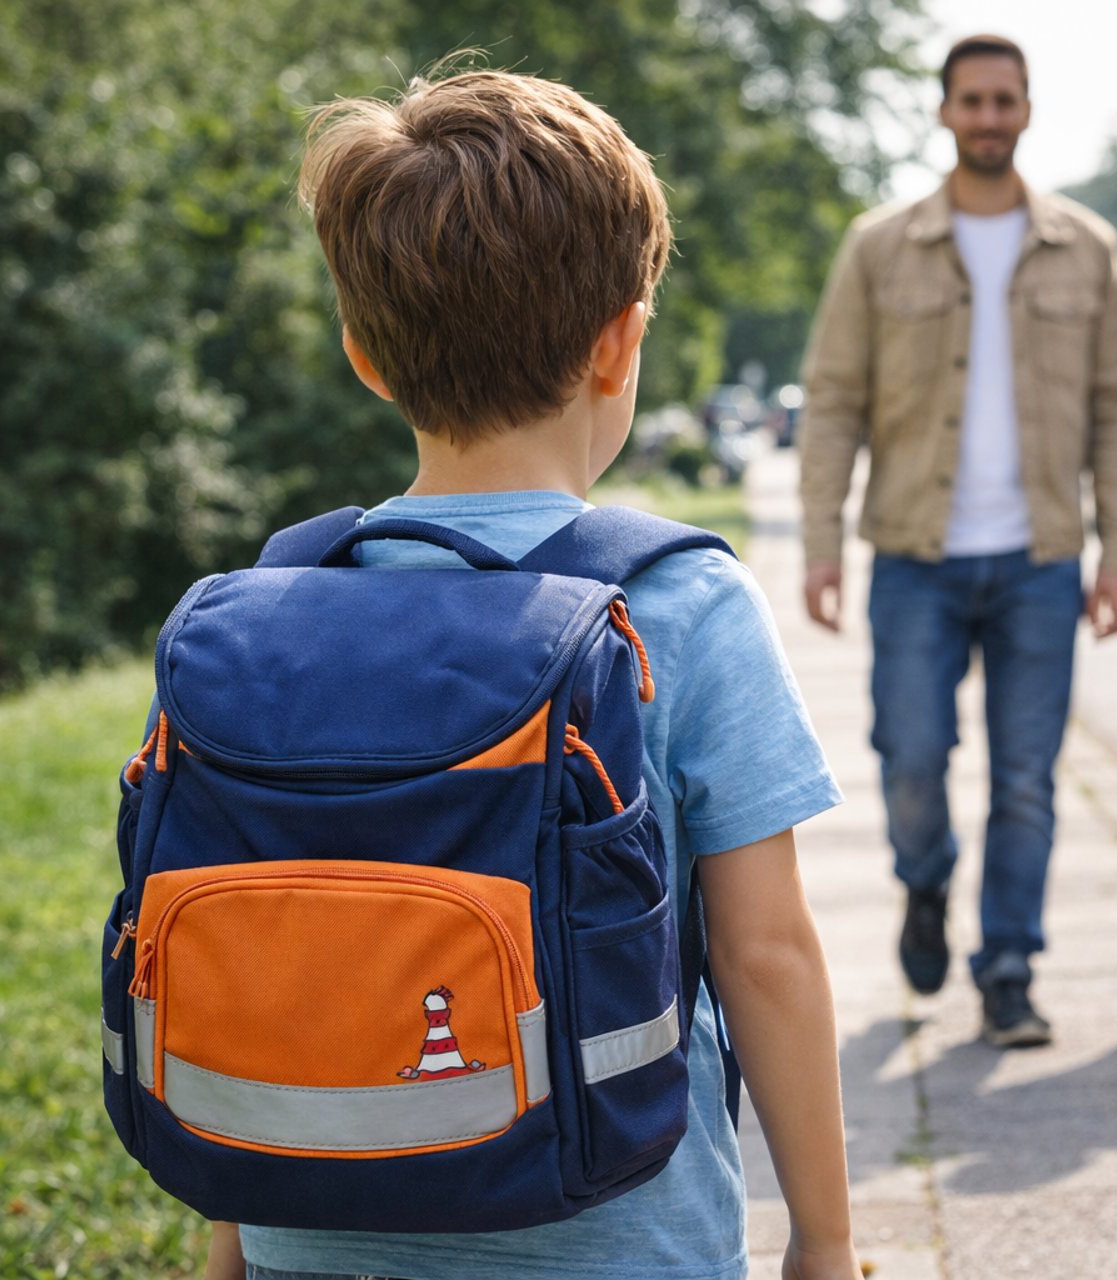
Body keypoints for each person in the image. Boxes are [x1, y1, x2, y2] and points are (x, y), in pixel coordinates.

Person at [203, 67, 860, 1280]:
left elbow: (262, 949)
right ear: (621, 342)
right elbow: (767, 954)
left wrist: (229, 1247)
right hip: (624, 1242)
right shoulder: (677, 604)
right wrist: (823, 1240)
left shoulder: (272, 611)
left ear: (365, 356)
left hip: (312, 1233)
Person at [800, 35, 1117, 1049]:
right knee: (911, 756)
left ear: (1027, 111)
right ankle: (924, 881)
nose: (990, 117)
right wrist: (821, 541)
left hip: (1041, 558)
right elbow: (833, 397)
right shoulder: (880, 245)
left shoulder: (1086, 248)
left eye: (1006, 101)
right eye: (973, 101)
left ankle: (1009, 970)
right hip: (915, 555)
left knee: (1027, 777)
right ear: (945, 111)